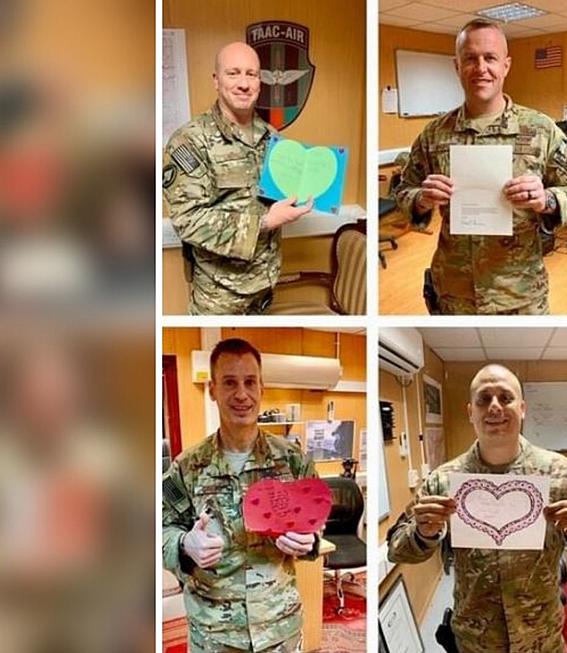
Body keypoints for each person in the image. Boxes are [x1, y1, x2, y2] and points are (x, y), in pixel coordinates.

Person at [387, 364, 567, 652]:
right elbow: (396, 548)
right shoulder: (444, 481)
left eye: (505, 398)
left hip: (542, 637)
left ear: (522, 408)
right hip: (476, 641)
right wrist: (423, 533)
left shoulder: (560, 473)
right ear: (470, 411)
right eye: (484, 399)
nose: (495, 407)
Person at [394, 19, 567, 315]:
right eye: (470, 59)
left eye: (490, 58)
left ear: (506, 65)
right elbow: (403, 191)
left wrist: (546, 200)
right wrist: (421, 200)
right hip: (453, 292)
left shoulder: (541, 129)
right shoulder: (434, 134)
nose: (481, 68)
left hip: (519, 294)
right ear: (457, 65)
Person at [161, 338, 320, 652]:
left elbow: (313, 528)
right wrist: (183, 544)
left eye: (250, 382)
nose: (241, 394)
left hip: (279, 628)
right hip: (213, 634)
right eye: (229, 383)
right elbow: (160, 528)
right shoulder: (186, 466)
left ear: (262, 388)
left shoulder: (294, 461)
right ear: (212, 390)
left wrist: (310, 541)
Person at [163, 42, 312, 314]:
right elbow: (188, 220)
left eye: (251, 74)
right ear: (216, 81)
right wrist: (265, 222)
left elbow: (276, 196)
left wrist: (306, 189)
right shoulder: (190, 140)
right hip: (219, 298)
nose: (244, 83)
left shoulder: (273, 138)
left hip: (265, 288)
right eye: (233, 73)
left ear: (260, 81)